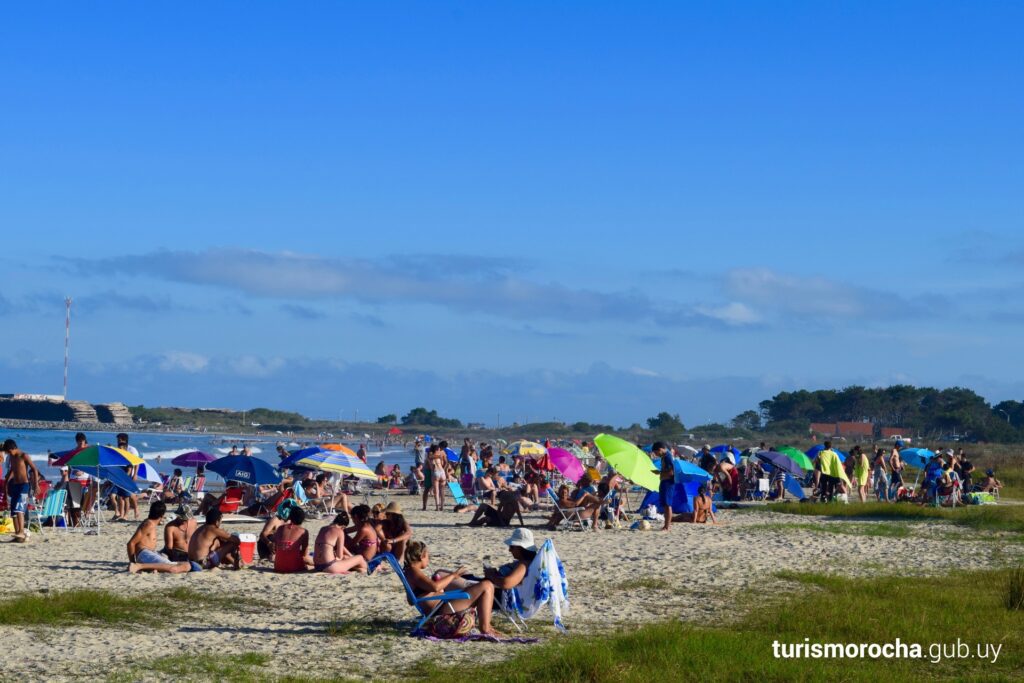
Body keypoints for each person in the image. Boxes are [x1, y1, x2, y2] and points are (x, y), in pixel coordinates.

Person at [402, 541, 500, 637]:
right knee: (487, 585)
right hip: (441, 608)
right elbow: (435, 587)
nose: (429, 560)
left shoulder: (409, 571)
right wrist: (453, 575)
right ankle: (485, 629)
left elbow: (411, 600)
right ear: (422, 556)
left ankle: (486, 625)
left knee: (480, 586)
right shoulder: (414, 572)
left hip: (439, 606)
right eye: (428, 556)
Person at [126, 502, 190, 574]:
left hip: (149, 553)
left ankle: (151, 568)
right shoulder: (148, 524)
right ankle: (137, 566)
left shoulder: (151, 523)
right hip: (144, 554)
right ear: (162, 515)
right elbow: (131, 543)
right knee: (176, 566)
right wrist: (132, 562)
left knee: (182, 564)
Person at [3, 439, 40, 543]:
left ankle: (21, 531)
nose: (8, 453)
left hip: (24, 486)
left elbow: (34, 469)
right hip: (15, 485)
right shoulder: (11, 457)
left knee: (20, 508)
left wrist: (36, 484)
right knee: (13, 510)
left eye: (9, 451)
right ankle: (18, 535)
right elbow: (12, 469)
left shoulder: (24, 455)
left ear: (13, 448)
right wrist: (6, 481)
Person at [483, 528, 538, 592]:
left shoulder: (524, 565)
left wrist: (491, 576)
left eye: (512, 547)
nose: (510, 550)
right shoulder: (530, 562)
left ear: (521, 548)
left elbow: (506, 583)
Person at [273, 507, 311, 573]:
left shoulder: (280, 528)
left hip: (278, 566)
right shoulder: (304, 531)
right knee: (311, 562)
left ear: (290, 517)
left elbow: (276, 548)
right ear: (302, 518)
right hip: (293, 567)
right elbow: (304, 554)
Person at [650, 442, 674, 531]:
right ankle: (666, 525)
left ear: (660, 449)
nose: (656, 455)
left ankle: (667, 526)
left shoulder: (668, 457)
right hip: (664, 481)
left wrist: (660, 473)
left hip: (668, 482)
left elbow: (671, 472)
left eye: (656, 453)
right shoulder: (664, 457)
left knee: (667, 504)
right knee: (665, 504)